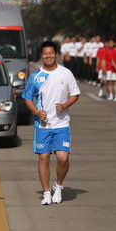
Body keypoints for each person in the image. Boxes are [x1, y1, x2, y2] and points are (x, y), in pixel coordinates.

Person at [22, 41, 80, 205]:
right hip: (43, 125)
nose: (48, 56)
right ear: (41, 55)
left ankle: (58, 186)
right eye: (45, 53)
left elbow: (75, 95)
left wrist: (64, 105)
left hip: (62, 124)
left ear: (56, 54)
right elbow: (27, 98)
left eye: (51, 53)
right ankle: (47, 192)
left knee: (63, 158)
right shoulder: (36, 76)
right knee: (44, 158)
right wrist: (36, 112)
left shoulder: (66, 73)